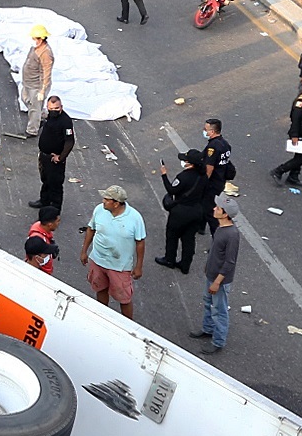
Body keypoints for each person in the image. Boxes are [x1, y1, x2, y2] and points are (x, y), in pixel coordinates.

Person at [81, 185, 145, 320]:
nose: (103, 201)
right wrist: (84, 251)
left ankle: (128, 325)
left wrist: (138, 267)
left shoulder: (135, 218)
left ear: (116, 204)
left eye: (107, 199)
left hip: (120, 266)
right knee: (100, 289)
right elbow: (91, 229)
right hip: (98, 260)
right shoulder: (99, 210)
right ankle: (102, 317)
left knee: (124, 298)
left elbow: (140, 242)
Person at [190, 197, 240, 354]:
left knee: (219, 310)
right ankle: (208, 329)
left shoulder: (232, 235)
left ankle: (218, 341)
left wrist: (217, 282)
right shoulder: (220, 229)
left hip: (219, 280)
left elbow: (230, 262)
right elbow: (215, 252)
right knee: (207, 302)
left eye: (218, 208)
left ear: (225, 214)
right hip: (211, 275)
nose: (214, 209)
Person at [153, 150, 213, 274]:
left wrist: (164, 175)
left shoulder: (183, 176)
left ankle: (170, 259)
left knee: (172, 235)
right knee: (189, 239)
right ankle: (185, 265)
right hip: (197, 211)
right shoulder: (203, 176)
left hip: (181, 212)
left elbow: (172, 190)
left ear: (190, 163)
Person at [31, 95, 74, 212]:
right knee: (45, 180)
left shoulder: (65, 121)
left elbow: (70, 141)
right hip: (44, 156)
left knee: (55, 184)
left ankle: (55, 210)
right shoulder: (50, 117)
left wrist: (61, 157)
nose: (53, 111)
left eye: (56, 108)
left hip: (54, 159)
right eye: (51, 109)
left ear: (61, 107)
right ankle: (44, 200)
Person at [21, 25, 55, 136]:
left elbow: (46, 72)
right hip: (28, 83)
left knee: (34, 108)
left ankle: (32, 130)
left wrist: (42, 90)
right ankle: (42, 115)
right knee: (25, 99)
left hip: (37, 86)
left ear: (41, 39)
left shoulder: (45, 53)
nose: (33, 41)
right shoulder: (36, 48)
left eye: (35, 39)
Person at [202, 118, 236, 193]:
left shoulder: (212, 147)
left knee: (207, 203)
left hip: (213, 181)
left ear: (212, 131)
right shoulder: (225, 144)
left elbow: (210, 166)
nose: (204, 131)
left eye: (205, 129)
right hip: (220, 179)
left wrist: (204, 182)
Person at [25, 206, 61, 275]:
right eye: (58, 221)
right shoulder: (38, 240)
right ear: (50, 225)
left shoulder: (38, 226)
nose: (58, 223)